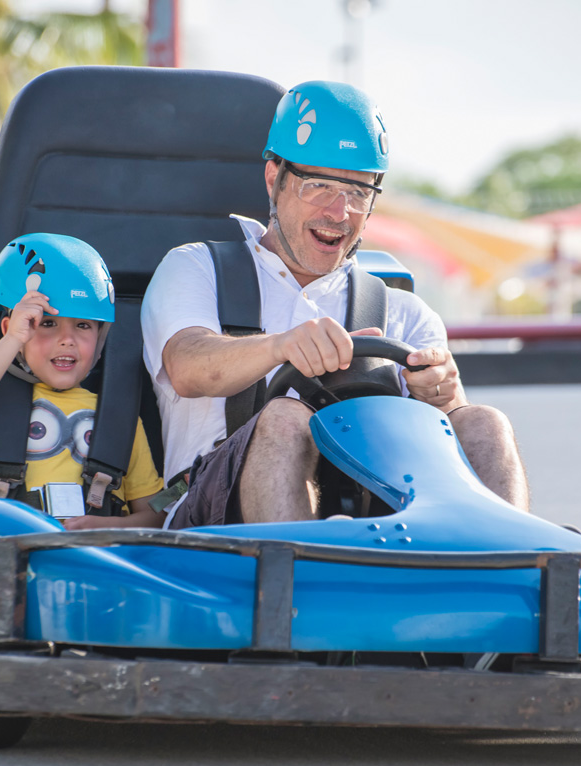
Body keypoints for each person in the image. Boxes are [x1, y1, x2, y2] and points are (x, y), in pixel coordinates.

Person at [141, 80, 528, 530]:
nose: (339, 212)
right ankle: (291, 587)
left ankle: (517, 579)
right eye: (319, 185)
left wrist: (441, 395)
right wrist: (280, 346)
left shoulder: (405, 312)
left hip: (375, 517)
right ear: (275, 179)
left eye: (358, 192)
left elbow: (449, 440)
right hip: (210, 519)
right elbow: (189, 367)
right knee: (285, 418)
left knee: (485, 423)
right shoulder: (198, 267)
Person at [0, 232, 164, 529]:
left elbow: (157, 515)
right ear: (13, 329)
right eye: (46, 323)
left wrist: (104, 527)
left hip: (94, 557)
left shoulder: (122, 420)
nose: (67, 340)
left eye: (82, 325)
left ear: (100, 339)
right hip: (5, 551)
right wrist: (14, 339)